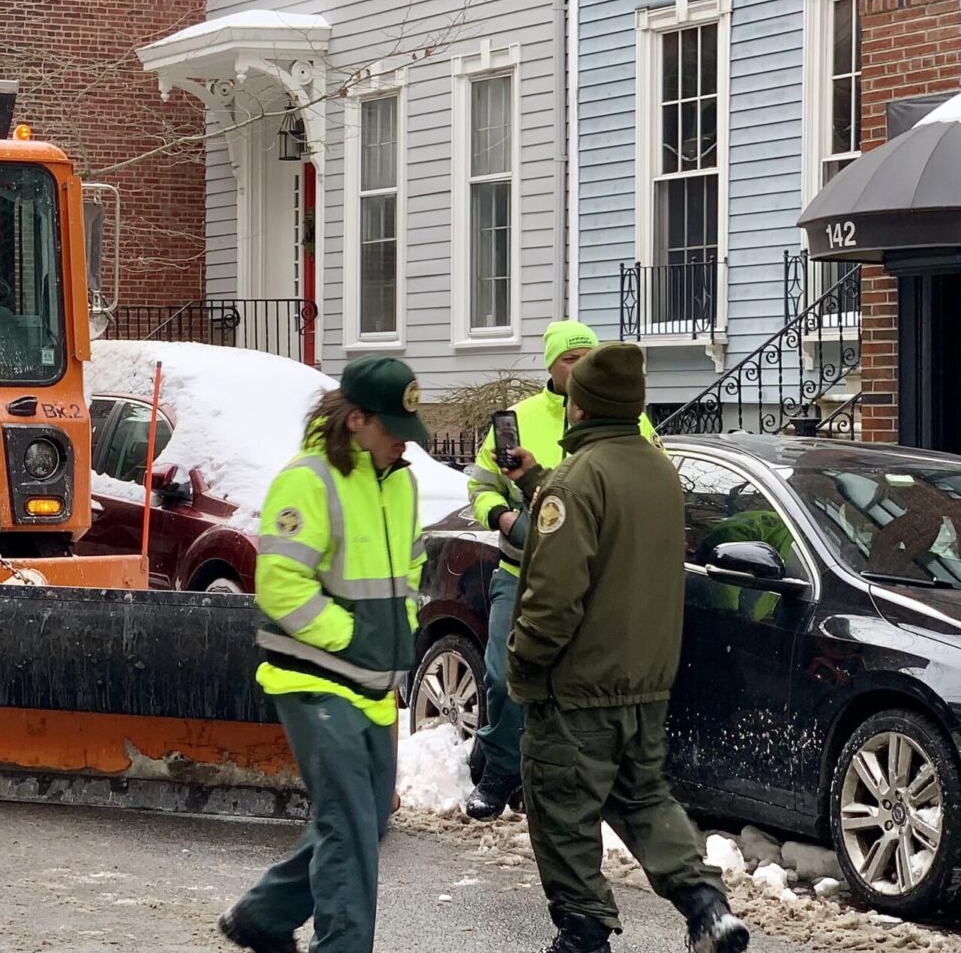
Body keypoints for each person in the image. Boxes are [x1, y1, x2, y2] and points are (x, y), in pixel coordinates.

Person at [501, 342, 748, 953]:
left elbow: (555, 598)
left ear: (579, 409)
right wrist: (538, 481)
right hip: (645, 682)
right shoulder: (659, 471)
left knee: (562, 814)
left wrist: (524, 662)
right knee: (644, 798)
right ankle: (706, 907)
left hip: (577, 689)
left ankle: (583, 933)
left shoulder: (578, 479)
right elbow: (615, 535)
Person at [218, 356, 430, 953]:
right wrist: (353, 634)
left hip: (371, 682)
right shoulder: (307, 481)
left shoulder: (400, 482)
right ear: (357, 420)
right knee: (351, 826)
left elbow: (410, 567)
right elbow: (282, 585)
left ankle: (263, 916)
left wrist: (398, 627)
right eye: (393, 431)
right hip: (313, 682)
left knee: (368, 818)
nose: (402, 445)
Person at [463, 321, 656, 820]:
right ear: (550, 364)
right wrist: (503, 516)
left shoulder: (629, 421)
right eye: (571, 359)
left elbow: (648, 479)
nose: (580, 367)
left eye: (588, 357)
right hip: (520, 569)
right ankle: (499, 771)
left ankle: (533, 773)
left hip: (593, 578)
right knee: (506, 677)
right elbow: (482, 483)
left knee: (567, 686)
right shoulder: (522, 419)